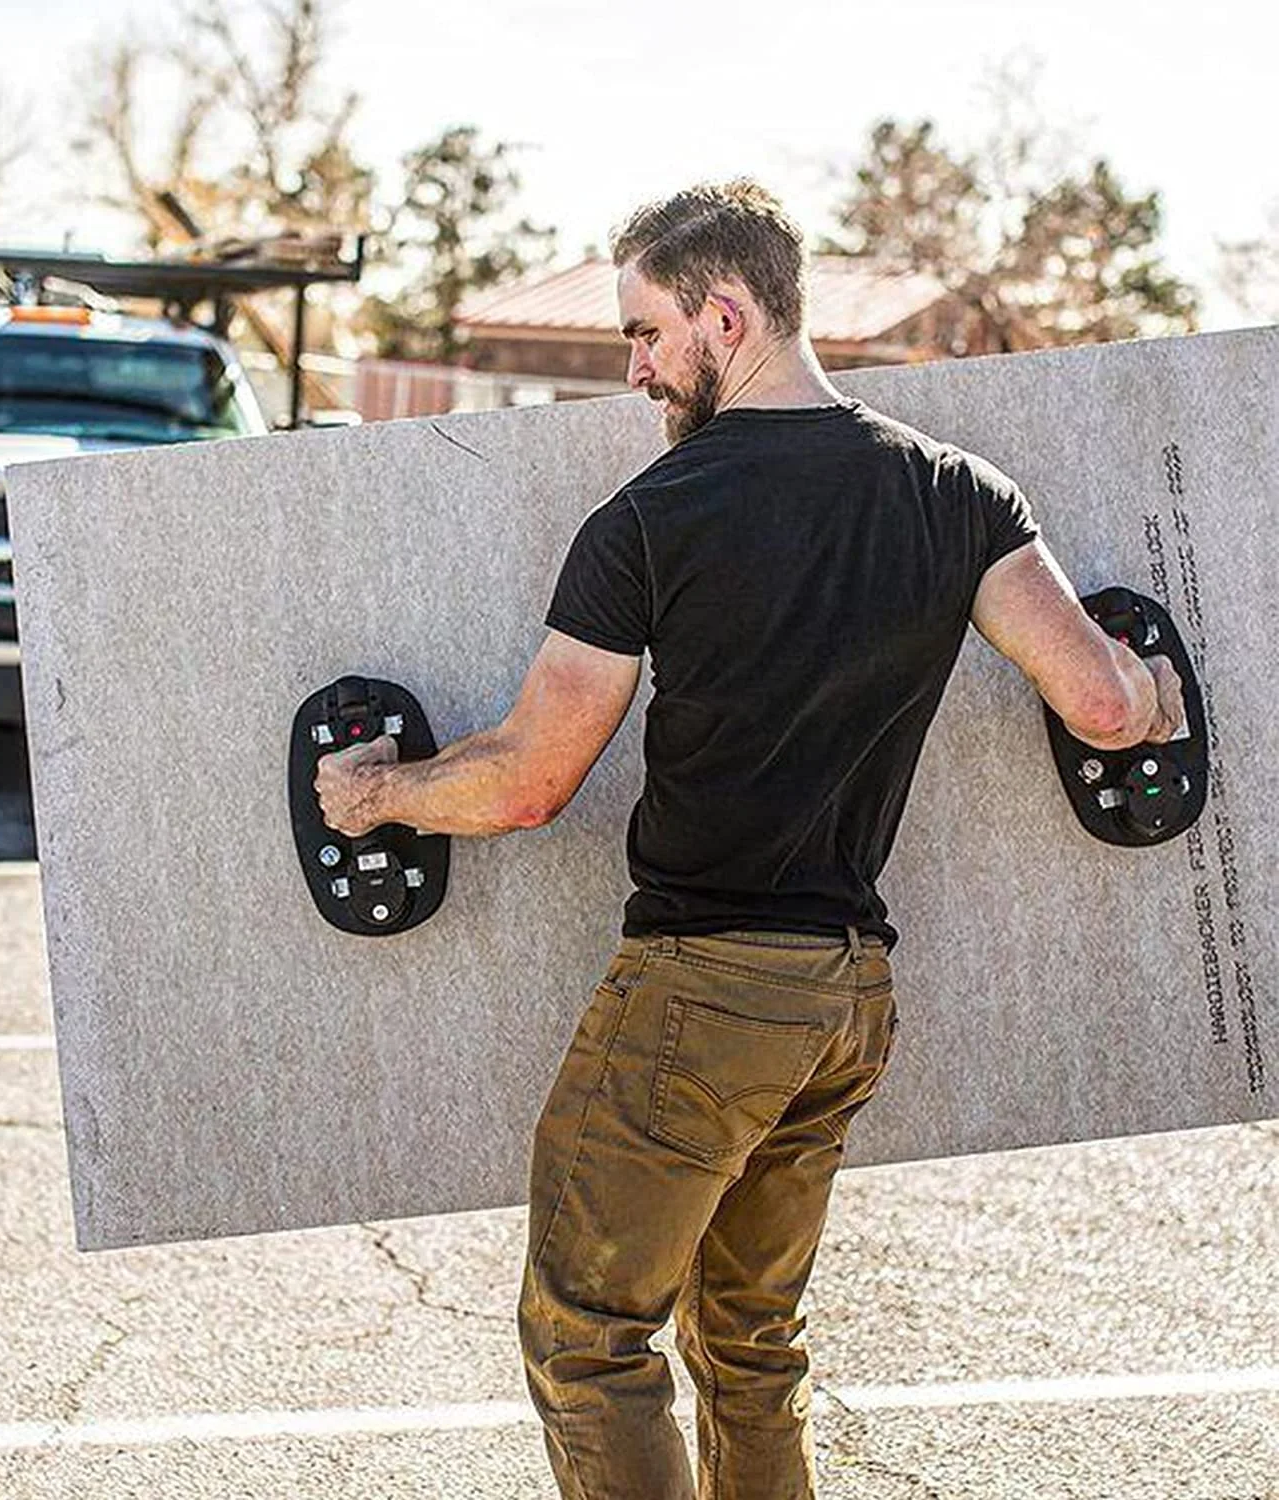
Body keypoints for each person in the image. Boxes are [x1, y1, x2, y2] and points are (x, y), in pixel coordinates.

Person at [316, 179, 1186, 1500]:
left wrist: (379, 796)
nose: (638, 365)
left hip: (705, 994)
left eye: (647, 332)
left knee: (587, 1337)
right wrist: (1160, 698)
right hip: (846, 1000)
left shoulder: (653, 519)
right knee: (749, 1345)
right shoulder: (959, 495)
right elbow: (1106, 704)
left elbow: (528, 782)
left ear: (727, 317)